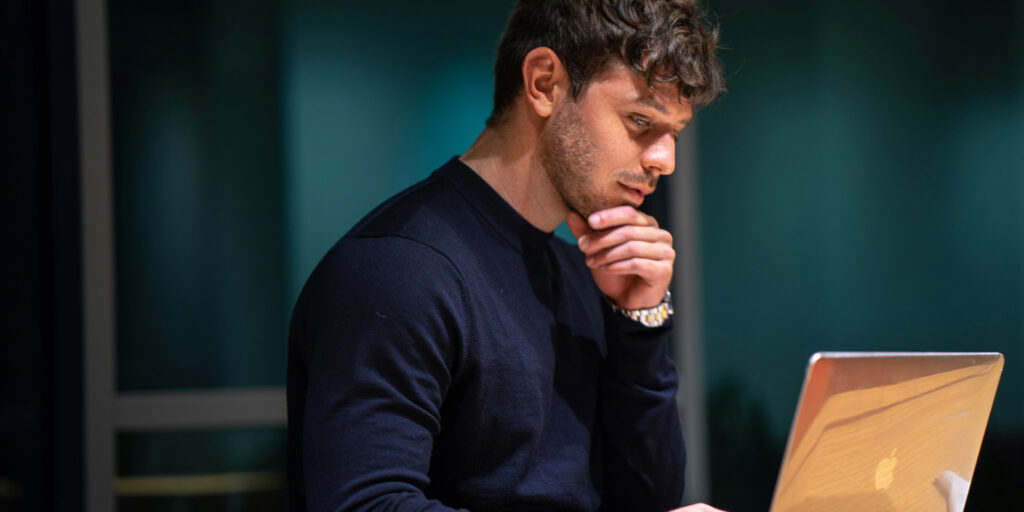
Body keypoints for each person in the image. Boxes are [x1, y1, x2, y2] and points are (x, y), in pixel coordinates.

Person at [286, 1, 726, 510]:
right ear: (544, 83)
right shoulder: (397, 268)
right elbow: (366, 504)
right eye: (640, 120)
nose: (665, 161)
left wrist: (637, 321)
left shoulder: (581, 274)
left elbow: (650, 499)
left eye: (675, 134)